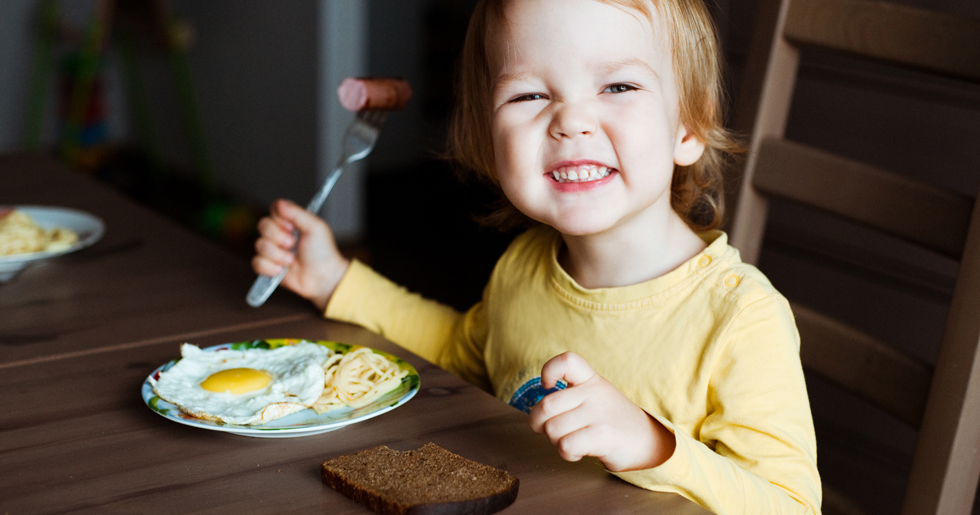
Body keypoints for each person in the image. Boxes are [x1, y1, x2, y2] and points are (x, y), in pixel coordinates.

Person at [252, 0, 822, 512]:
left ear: (688, 125)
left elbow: (791, 504)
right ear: (490, 140)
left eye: (618, 87)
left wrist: (655, 446)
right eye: (529, 95)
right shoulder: (523, 270)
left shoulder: (740, 319)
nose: (570, 121)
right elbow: (462, 352)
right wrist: (336, 280)